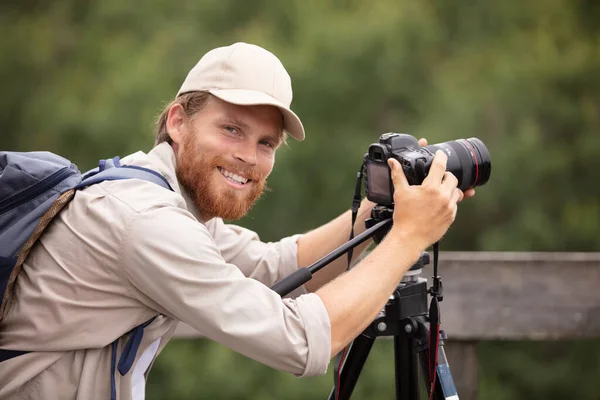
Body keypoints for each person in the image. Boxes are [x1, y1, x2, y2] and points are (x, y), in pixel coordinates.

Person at [0, 42, 473, 399]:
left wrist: (384, 212)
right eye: (231, 129)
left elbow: (277, 266)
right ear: (178, 122)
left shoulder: (161, 195)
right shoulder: (144, 222)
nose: (248, 156)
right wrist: (411, 234)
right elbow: (300, 342)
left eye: (266, 143)